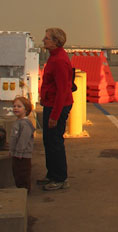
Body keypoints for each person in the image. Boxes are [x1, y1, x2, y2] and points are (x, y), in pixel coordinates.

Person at [38, 27, 74, 190]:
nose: (43, 40)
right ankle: (52, 174)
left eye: (47, 38)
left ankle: (60, 178)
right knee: (48, 141)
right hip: (50, 104)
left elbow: (62, 91)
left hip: (57, 106)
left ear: (55, 41)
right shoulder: (54, 57)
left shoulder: (59, 60)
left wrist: (55, 115)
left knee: (55, 142)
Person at [10, 96, 35, 192]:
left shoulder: (24, 124)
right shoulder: (19, 122)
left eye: (19, 106)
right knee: (17, 173)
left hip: (22, 155)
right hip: (16, 154)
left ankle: (24, 191)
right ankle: (21, 189)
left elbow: (23, 140)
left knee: (22, 174)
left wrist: (19, 152)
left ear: (26, 110)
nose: (15, 108)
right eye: (14, 106)